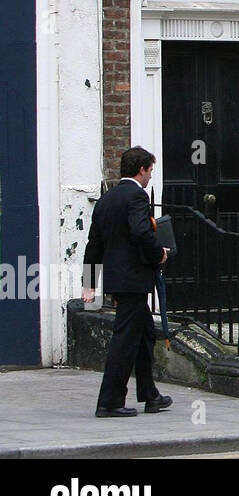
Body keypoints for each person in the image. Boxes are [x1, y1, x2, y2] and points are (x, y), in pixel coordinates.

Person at [82, 147, 173, 417]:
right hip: (133, 279)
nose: (150, 177)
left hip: (117, 279)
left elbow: (94, 244)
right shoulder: (137, 196)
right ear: (141, 169)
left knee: (145, 334)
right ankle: (109, 402)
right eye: (150, 171)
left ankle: (150, 395)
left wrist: (89, 283)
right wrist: (160, 254)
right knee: (124, 340)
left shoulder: (106, 199)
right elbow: (141, 232)